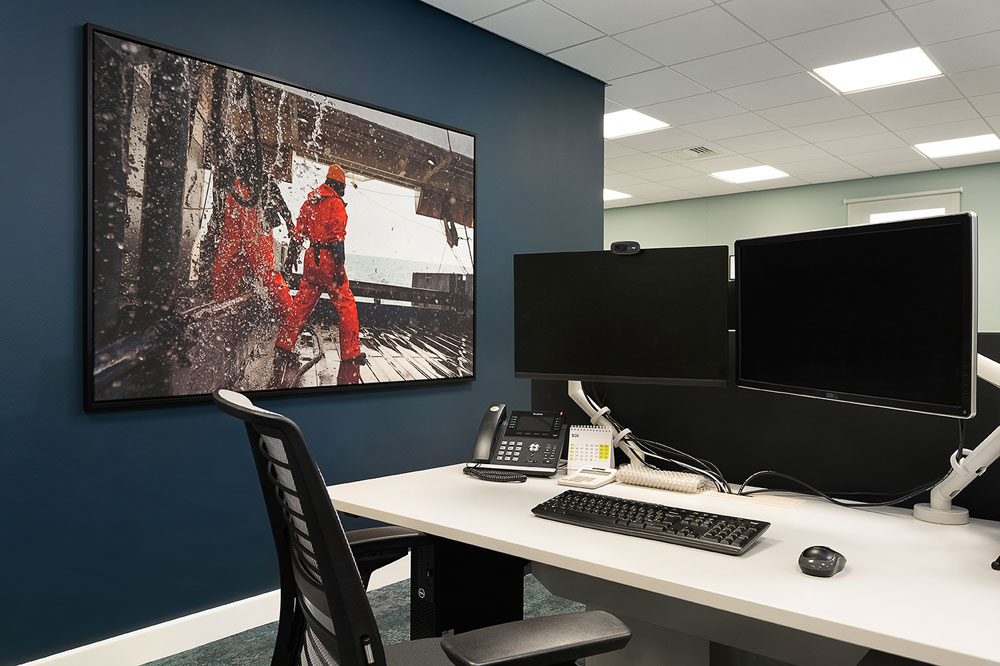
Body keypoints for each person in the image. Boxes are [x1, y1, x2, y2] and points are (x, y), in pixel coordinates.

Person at [272, 164, 365, 386]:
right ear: (339, 185)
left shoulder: (311, 201)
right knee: (346, 305)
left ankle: (284, 344)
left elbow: (297, 233)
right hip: (328, 260)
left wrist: (292, 255)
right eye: (343, 187)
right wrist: (339, 269)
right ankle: (351, 353)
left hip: (311, 257)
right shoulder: (336, 204)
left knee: (301, 305)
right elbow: (337, 240)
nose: (343, 192)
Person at [211, 167, 293, 319]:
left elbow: (278, 199)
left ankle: (290, 318)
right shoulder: (232, 182)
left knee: (266, 274)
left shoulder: (259, 178)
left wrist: (290, 224)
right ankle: (224, 314)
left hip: (255, 219)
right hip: (236, 220)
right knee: (222, 271)